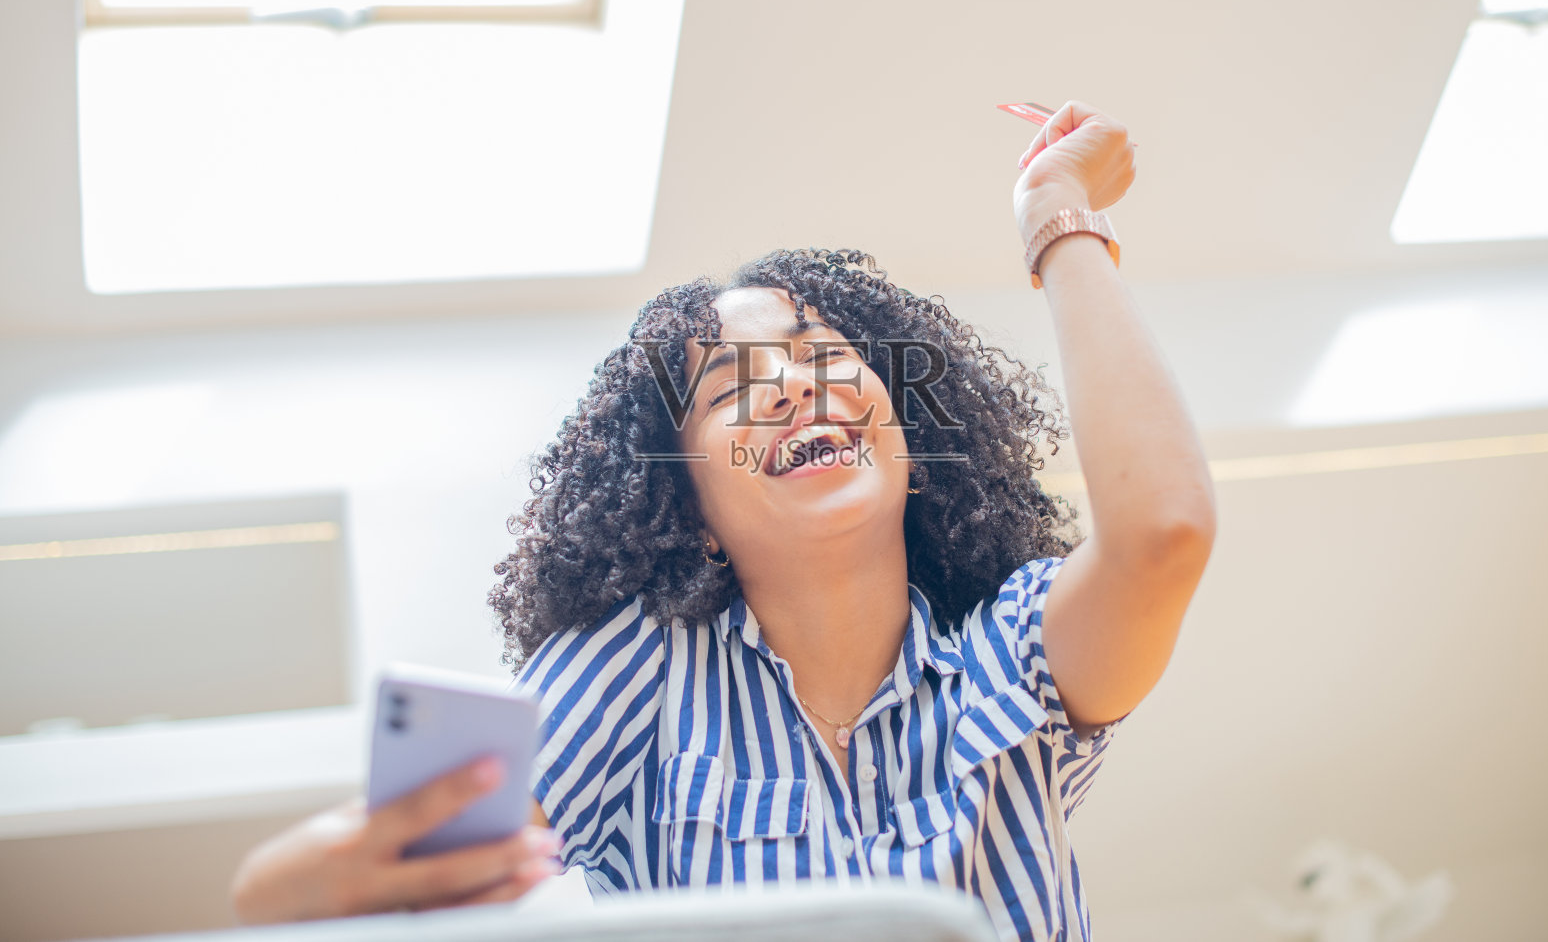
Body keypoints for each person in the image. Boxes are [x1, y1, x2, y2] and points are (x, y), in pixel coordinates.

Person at [230, 101, 1215, 941]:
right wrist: (297, 889)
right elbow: (409, 874)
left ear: (909, 445)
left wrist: (1058, 218)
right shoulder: (634, 673)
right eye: (727, 388)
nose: (789, 388)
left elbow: (1161, 534)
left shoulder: (1007, 647)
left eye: (818, 354)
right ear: (690, 512)